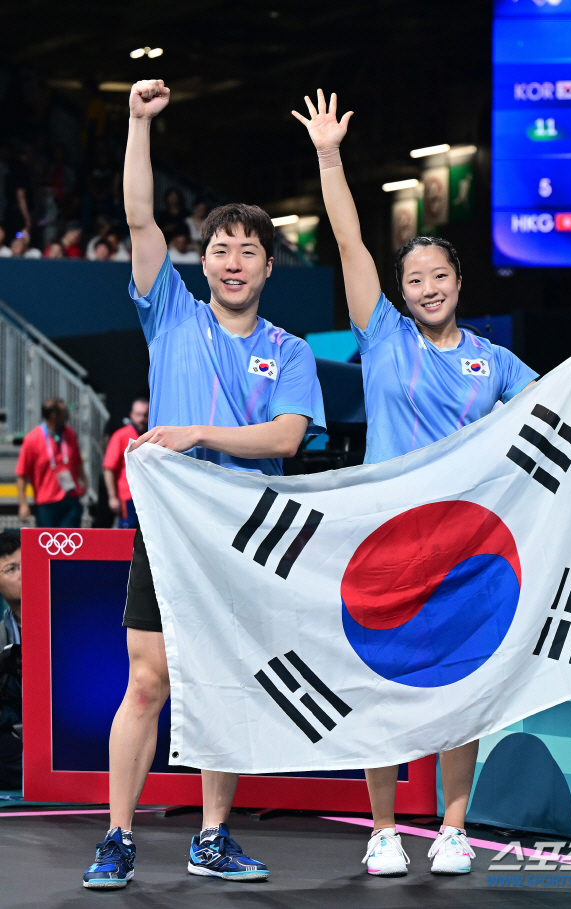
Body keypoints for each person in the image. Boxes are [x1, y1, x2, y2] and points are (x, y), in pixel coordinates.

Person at [294, 89, 571, 877]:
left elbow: (562, 403)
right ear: (400, 291)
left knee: (460, 688)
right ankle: (383, 828)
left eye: (437, 275)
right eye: (413, 279)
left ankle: (451, 827)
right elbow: (348, 241)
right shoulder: (382, 339)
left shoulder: (493, 361)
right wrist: (330, 156)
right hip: (386, 539)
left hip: (466, 549)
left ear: (456, 281)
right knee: (379, 683)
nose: (425, 287)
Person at [82, 79, 325, 891]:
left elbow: (288, 437)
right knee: (147, 680)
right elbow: (141, 217)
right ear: (206, 259)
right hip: (171, 527)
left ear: (265, 265)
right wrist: (138, 123)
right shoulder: (172, 315)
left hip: (247, 529)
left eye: (247, 249)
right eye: (220, 247)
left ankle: (212, 836)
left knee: (225, 683)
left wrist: (197, 433)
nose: (230, 259)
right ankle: (117, 834)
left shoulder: (290, 350)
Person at [16, 398, 85, 528]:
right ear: (54, 415)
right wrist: (23, 503)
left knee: (71, 543)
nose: (67, 415)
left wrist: (84, 480)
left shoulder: (69, 434)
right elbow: (22, 474)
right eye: (64, 412)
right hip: (46, 502)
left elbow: (77, 462)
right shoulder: (32, 439)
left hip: (70, 497)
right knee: (49, 544)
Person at [103, 398, 150, 528]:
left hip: (150, 495)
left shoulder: (152, 435)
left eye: (145, 415)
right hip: (129, 496)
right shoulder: (121, 436)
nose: (141, 419)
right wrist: (112, 497)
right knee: (129, 535)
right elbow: (109, 467)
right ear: (131, 415)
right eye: (138, 415)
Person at [0, 532, 22, 791]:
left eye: (27, 563)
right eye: (11, 569)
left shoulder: (69, 623)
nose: (22, 573)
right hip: (15, 731)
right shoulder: (2, 634)